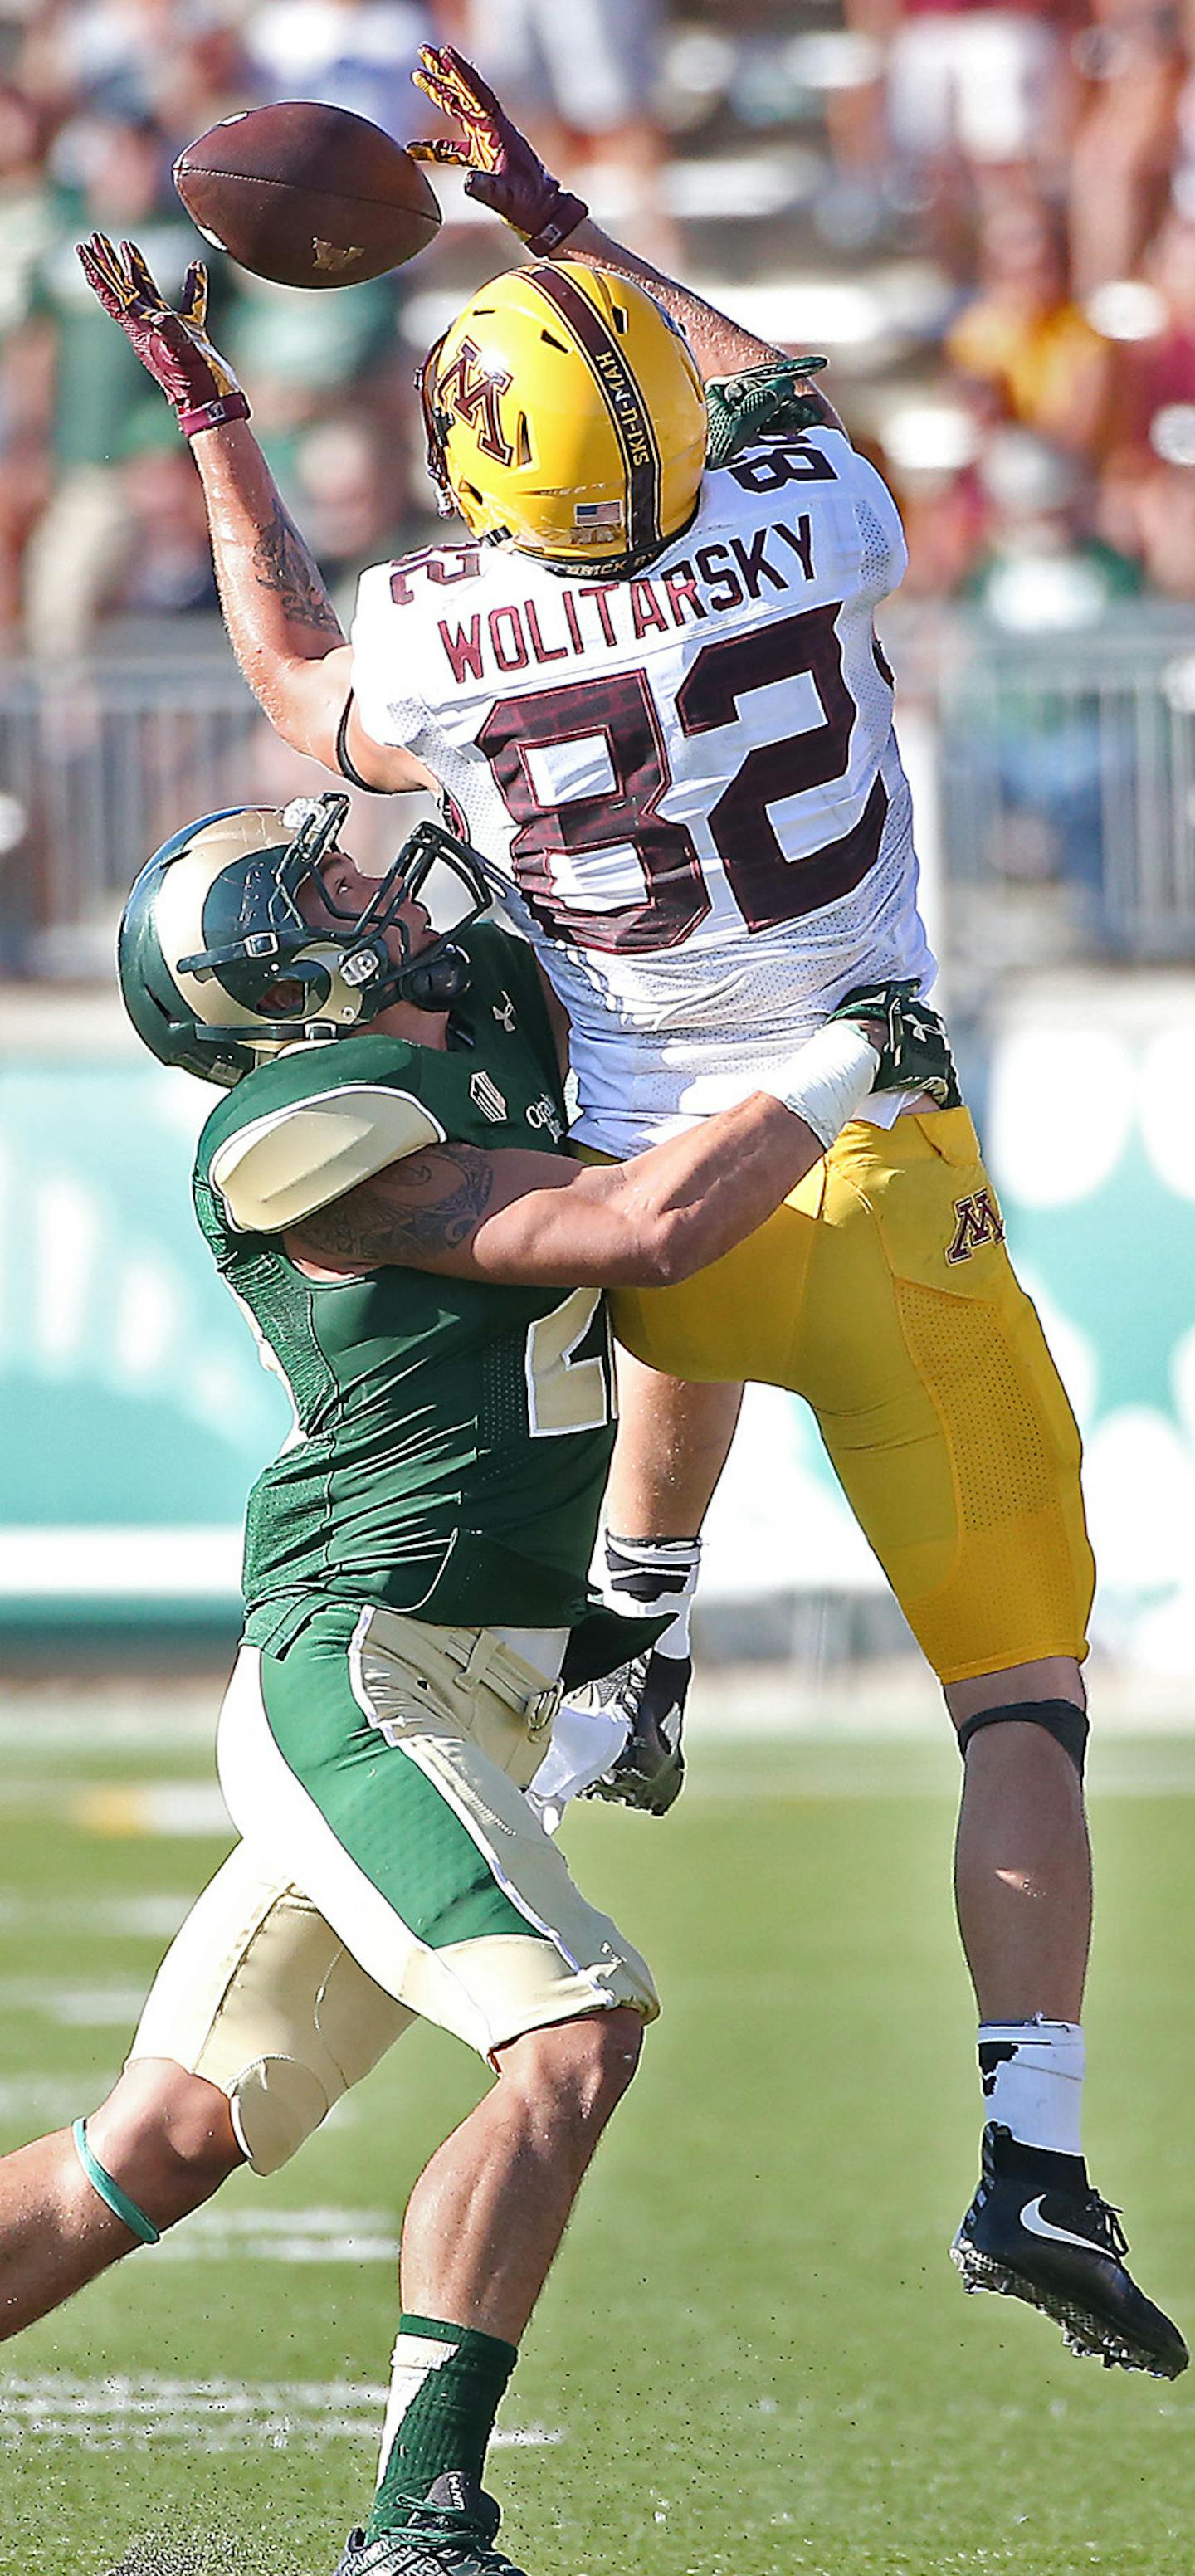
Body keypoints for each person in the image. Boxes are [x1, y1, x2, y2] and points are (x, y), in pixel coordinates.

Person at [77, 45, 1188, 2385]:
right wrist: (553, 224)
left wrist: (220, 426)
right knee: (1020, 1706)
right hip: (877, 1167)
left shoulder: (449, 642)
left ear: (482, 466)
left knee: (655, 1303)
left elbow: (290, 682)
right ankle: (1034, 2144)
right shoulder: (828, 511)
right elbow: (761, 381)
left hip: (639, 1201)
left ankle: (644, 1622)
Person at [0, 782, 948, 2576]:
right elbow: (643, 1236)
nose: (382, 888)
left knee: (171, 2133)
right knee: (573, 2036)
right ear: (289, 995)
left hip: (489, 1670)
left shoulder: (485, 1021)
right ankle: (421, 2522)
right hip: (368, 1663)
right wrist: (848, 1051)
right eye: (328, 892)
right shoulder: (297, 1132)